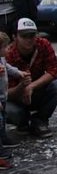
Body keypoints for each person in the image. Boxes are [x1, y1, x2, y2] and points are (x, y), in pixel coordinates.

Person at [5, 18, 57, 138]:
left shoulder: (43, 44)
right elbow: (5, 93)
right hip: (15, 97)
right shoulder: (7, 55)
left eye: (32, 35)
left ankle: (40, 120)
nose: (29, 40)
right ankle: (23, 122)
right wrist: (21, 87)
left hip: (36, 90)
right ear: (14, 37)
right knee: (10, 110)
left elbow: (54, 70)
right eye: (24, 36)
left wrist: (32, 86)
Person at [0, 31, 23, 165]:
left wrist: (18, 72)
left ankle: (4, 139)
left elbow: (8, 68)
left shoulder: (2, 59)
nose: (8, 49)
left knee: (2, 122)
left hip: (3, 96)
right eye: (5, 47)